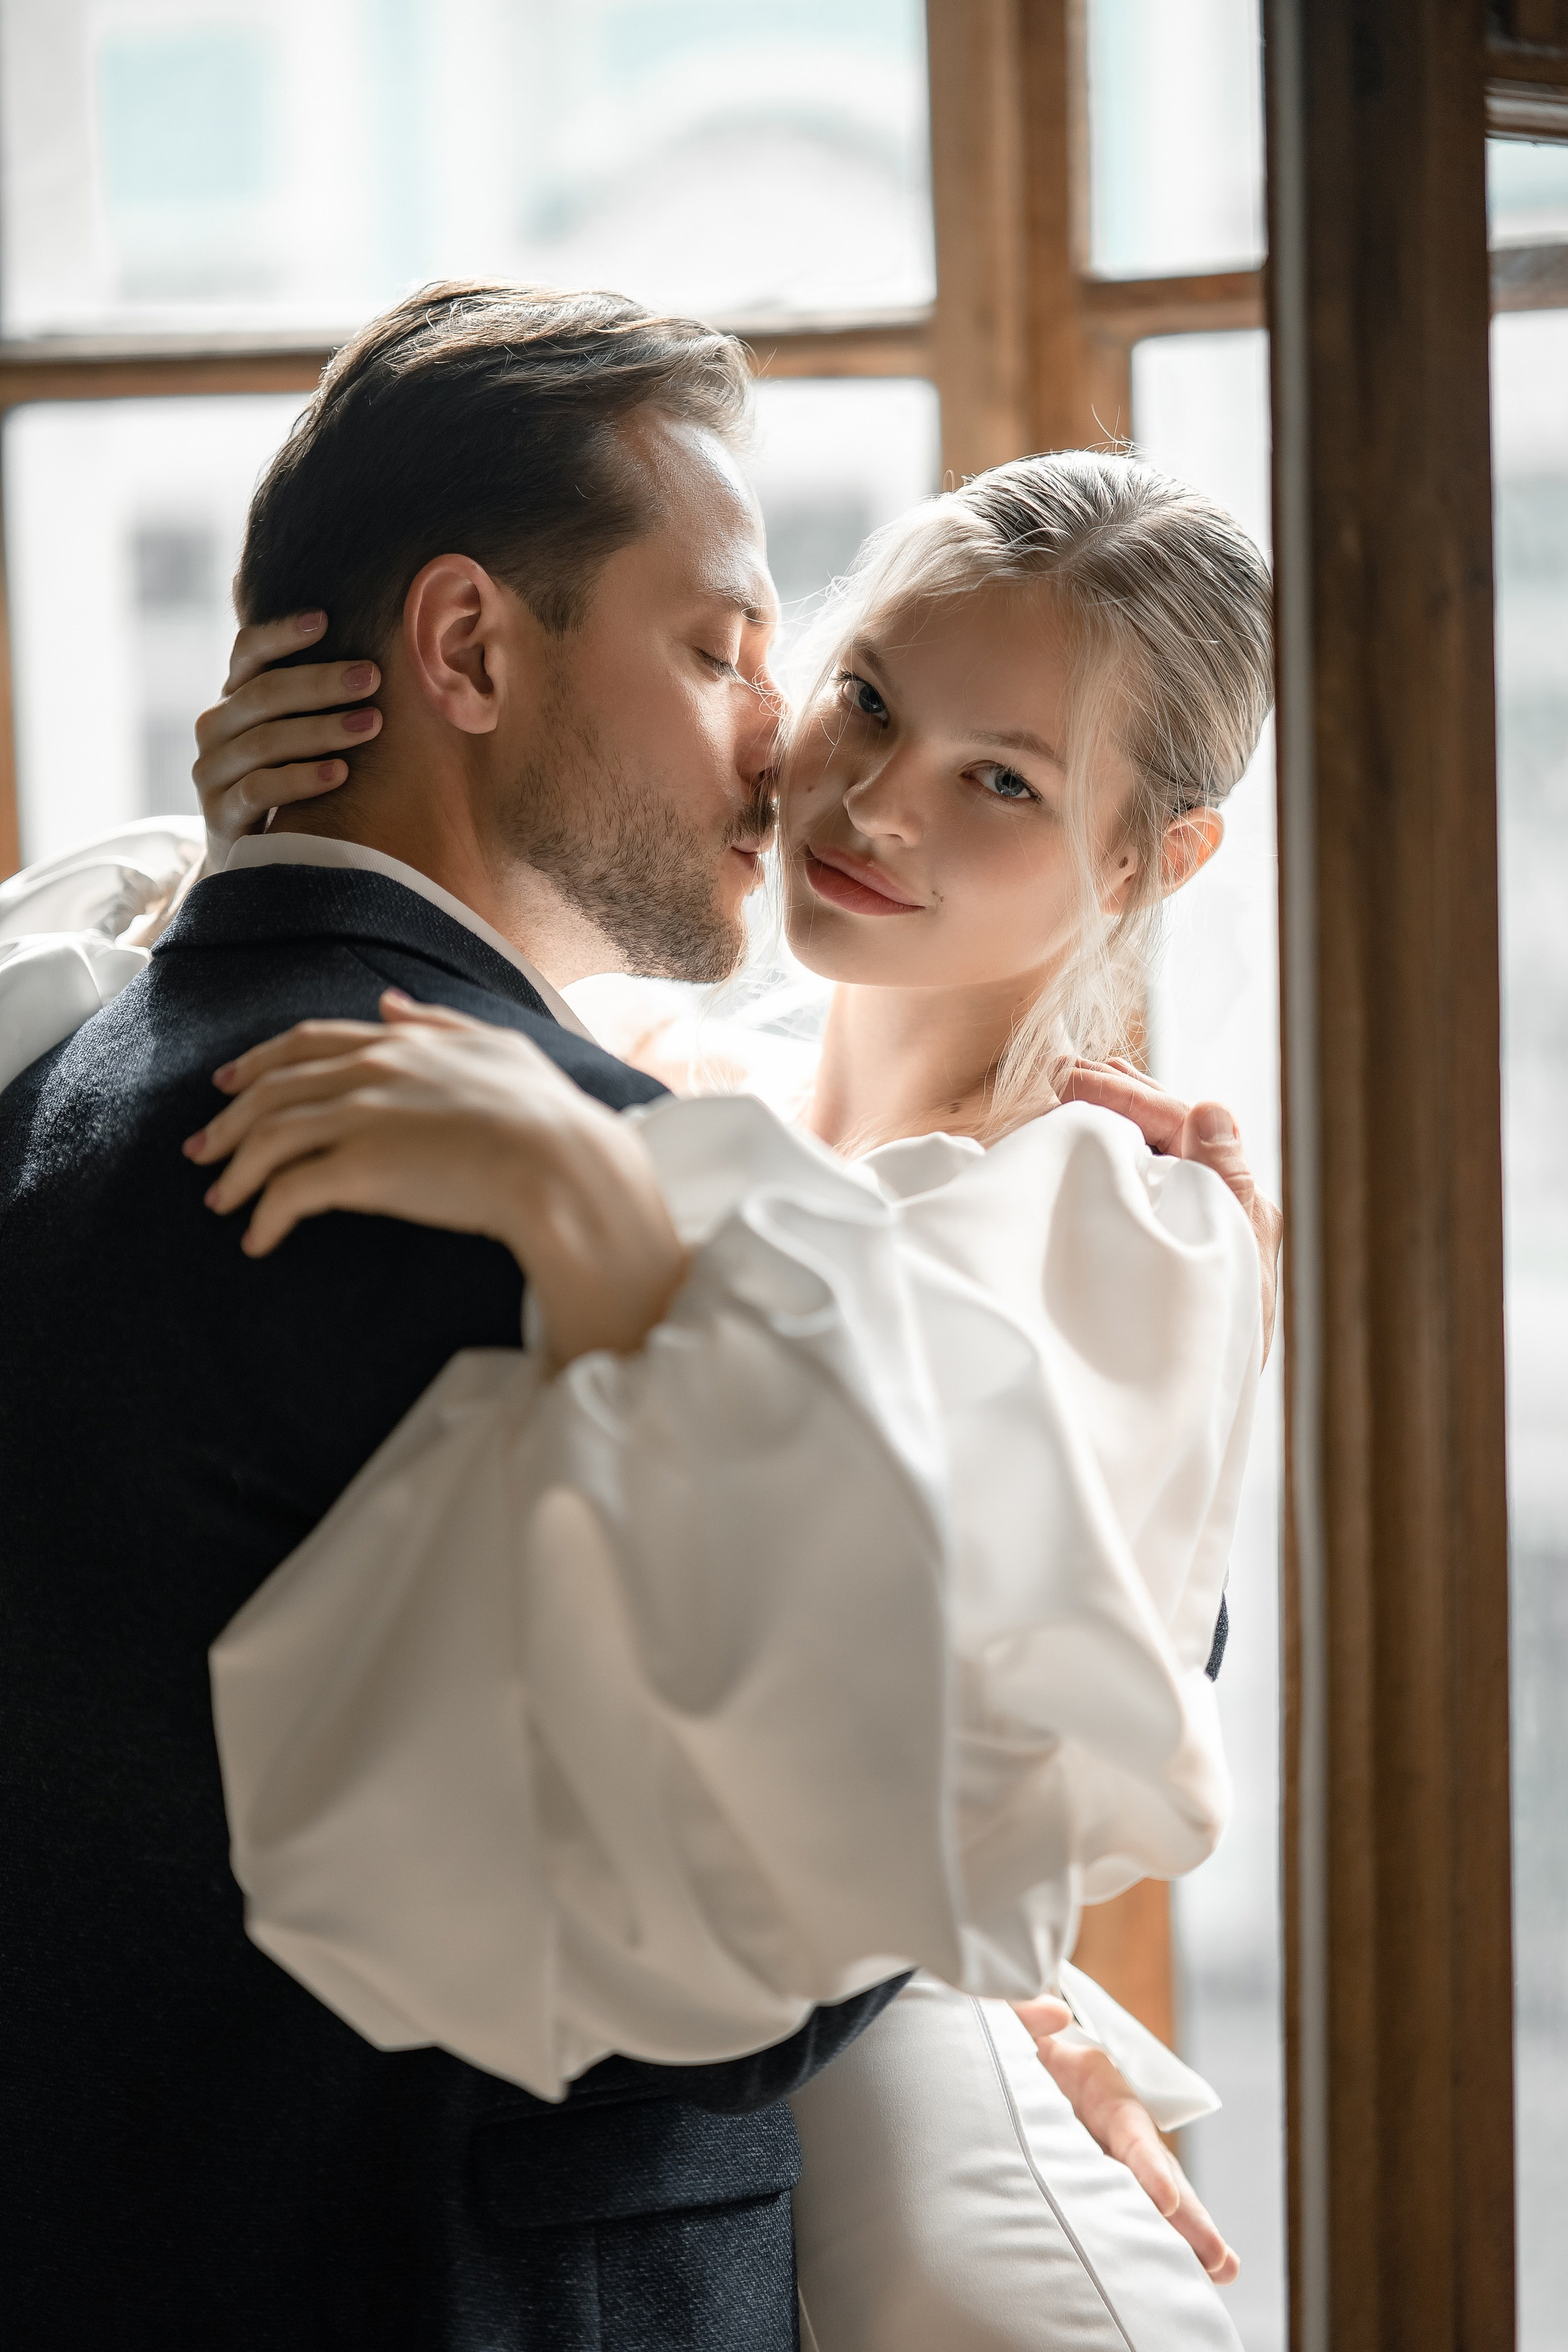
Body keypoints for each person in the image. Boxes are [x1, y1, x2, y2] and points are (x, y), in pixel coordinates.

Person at [0, 282, 1273, 2350]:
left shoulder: (1104, 1209)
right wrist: (257, 844)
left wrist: (990, 1989)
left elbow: (1036, 1741)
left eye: (1007, 786)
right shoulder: (621, 1086)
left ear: (1157, 856)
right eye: (820, 685)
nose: (845, 792)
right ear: (467, 647)